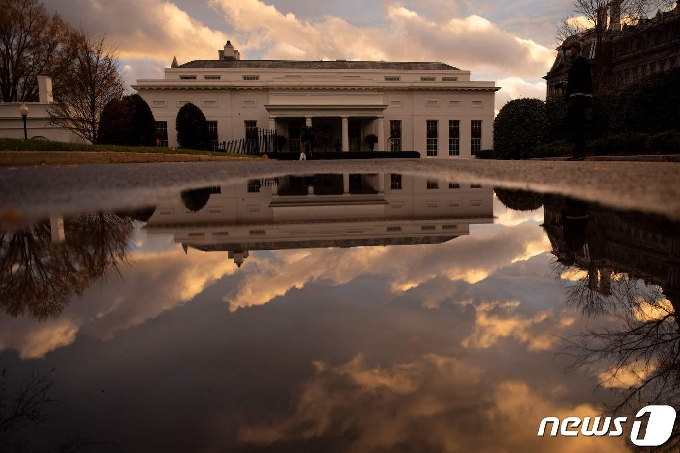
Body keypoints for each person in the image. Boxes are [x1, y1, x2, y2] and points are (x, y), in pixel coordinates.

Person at [555, 41, 593, 161]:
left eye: (568, 49)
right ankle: (579, 151)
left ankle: (580, 152)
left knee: (577, 125)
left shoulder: (580, 61)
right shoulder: (578, 62)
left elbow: (578, 80)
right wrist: (565, 83)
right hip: (578, 97)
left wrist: (567, 84)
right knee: (576, 124)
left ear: (576, 49)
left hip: (578, 97)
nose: (566, 51)